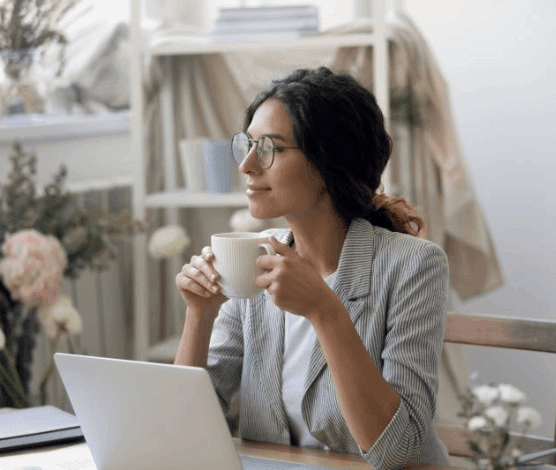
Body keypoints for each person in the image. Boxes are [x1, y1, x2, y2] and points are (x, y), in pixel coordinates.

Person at [174, 66, 451, 470]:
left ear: (327, 162)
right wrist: (199, 314)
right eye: (247, 145)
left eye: (270, 147)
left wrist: (324, 310)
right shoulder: (254, 260)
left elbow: (397, 451)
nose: (247, 166)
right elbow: (184, 430)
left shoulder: (414, 266)